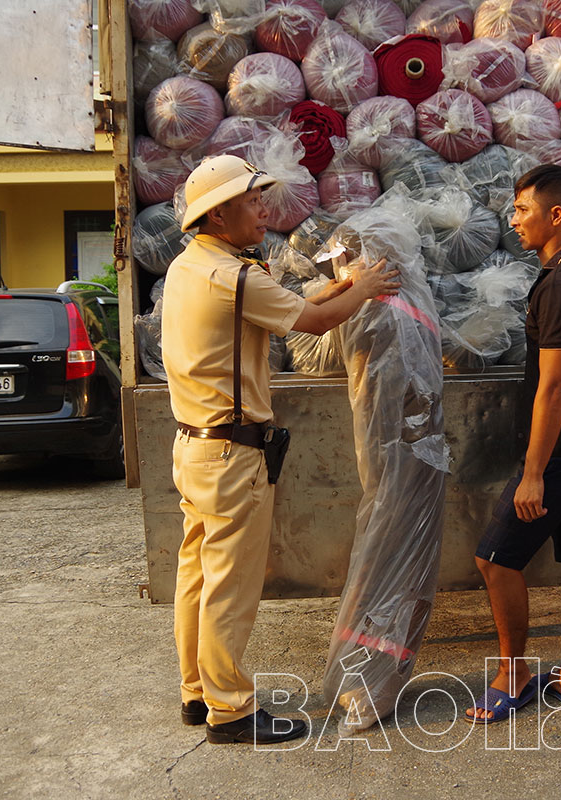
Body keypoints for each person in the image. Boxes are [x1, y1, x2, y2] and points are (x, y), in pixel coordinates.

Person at [162, 154, 400, 745]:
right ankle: (231, 711)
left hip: (195, 448)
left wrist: (342, 285)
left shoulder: (192, 266)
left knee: (196, 577)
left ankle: (198, 693)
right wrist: (365, 288)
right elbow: (316, 323)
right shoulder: (233, 278)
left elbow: (291, 301)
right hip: (230, 458)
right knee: (229, 589)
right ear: (218, 215)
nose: (263, 209)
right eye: (251, 201)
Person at [466, 164, 561, 723]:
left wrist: (534, 472)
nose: (514, 220)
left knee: (495, 558)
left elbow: (553, 387)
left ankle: (515, 673)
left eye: (522, 210)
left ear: (556, 215)